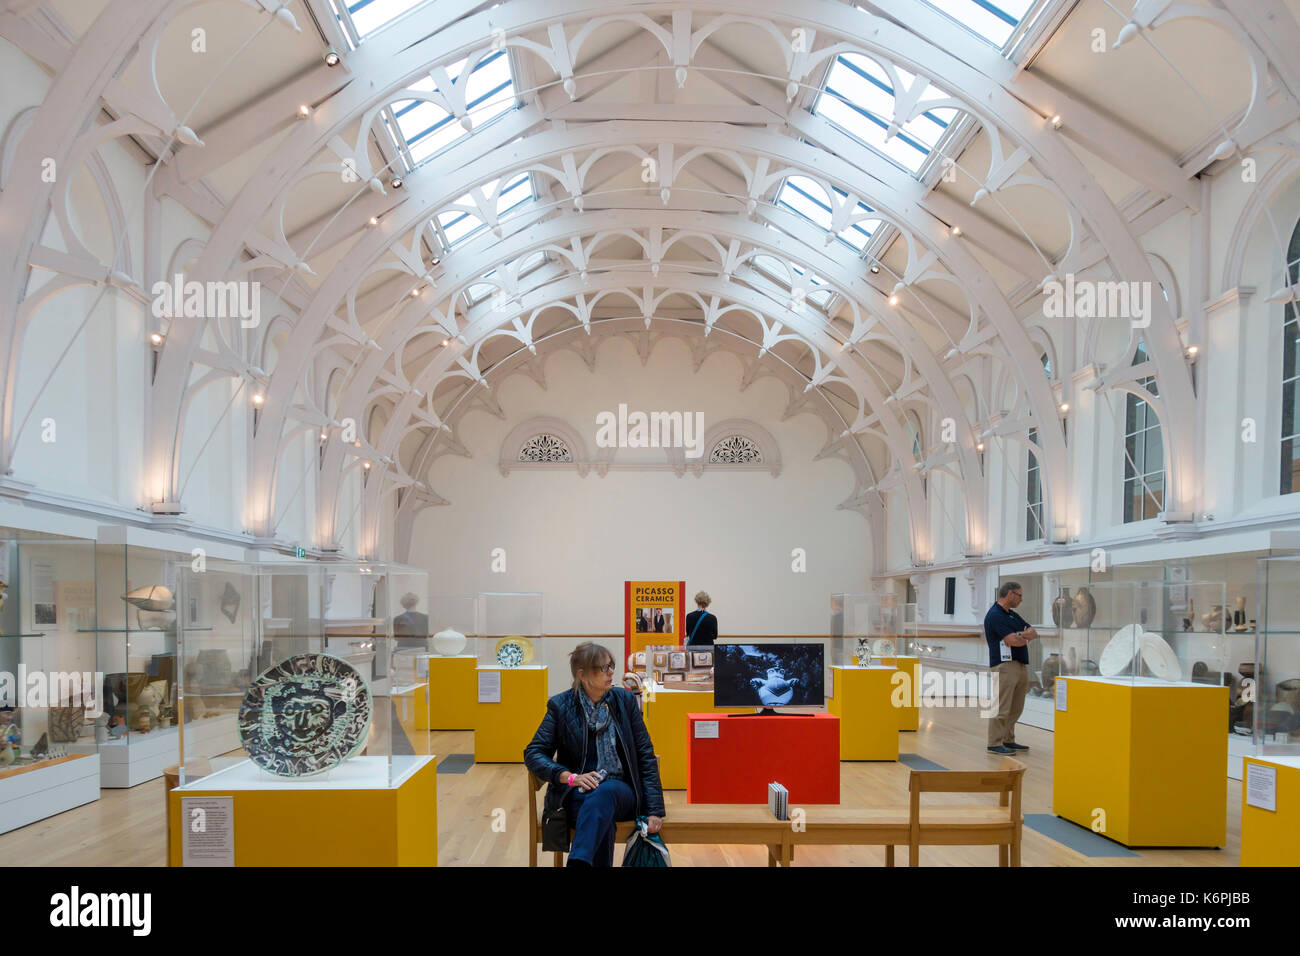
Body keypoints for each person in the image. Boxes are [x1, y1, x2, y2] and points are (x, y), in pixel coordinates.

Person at [524, 642, 665, 866]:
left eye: (611, 666)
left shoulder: (625, 701)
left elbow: (645, 754)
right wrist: (568, 777)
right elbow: (533, 753)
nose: (611, 672)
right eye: (603, 668)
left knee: (604, 792)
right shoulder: (560, 706)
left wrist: (654, 810)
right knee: (601, 818)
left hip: (621, 792)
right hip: (576, 795)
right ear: (582, 675)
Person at [984, 581, 1036, 756]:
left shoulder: (1012, 615)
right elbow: (1012, 640)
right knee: (1002, 705)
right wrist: (1021, 636)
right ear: (1010, 594)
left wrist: (1020, 635)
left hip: (1020, 664)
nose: (1021, 599)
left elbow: (1033, 633)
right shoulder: (994, 615)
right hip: (1004, 665)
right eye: (1019, 595)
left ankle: (1008, 739)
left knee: (1016, 707)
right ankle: (994, 742)